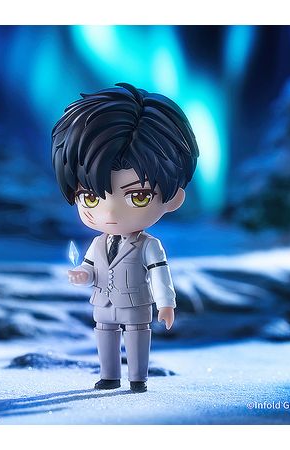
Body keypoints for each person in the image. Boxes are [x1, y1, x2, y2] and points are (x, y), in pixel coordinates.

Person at [51, 82, 199, 393]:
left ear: (173, 198)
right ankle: (109, 376)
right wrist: (82, 275)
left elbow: (160, 274)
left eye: (139, 196)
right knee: (104, 335)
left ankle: (137, 378)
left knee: (136, 336)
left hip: (135, 303)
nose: (110, 212)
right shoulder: (97, 243)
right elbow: (91, 266)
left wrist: (166, 303)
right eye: (91, 197)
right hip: (103, 302)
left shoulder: (149, 245)